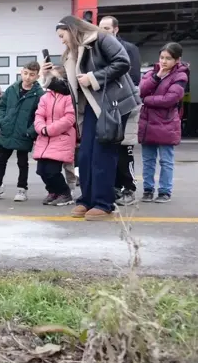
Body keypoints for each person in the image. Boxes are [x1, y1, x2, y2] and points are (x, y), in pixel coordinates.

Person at [52, 15, 140, 221]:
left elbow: (123, 62)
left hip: (114, 105)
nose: (61, 40)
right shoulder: (72, 53)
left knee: (103, 154)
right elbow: (71, 88)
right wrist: (50, 79)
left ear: (72, 30)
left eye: (62, 35)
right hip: (92, 107)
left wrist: (93, 78)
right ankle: (88, 200)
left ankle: (104, 203)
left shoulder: (100, 39)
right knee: (85, 156)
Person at [0, 61, 43, 202]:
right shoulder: (12, 89)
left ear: (37, 76)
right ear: (21, 72)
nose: (28, 77)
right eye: (25, 73)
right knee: (0, 160)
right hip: (8, 130)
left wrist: (31, 131)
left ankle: (22, 190)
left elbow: (40, 114)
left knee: (22, 162)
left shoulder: (39, 93)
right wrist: (2, 121)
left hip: (23, 133)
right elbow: (2, 106)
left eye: (32, 75)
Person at [99, 15, 142, 206]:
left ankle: (129, 188)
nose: (103, 32)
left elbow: (133, 79)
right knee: (111, 149)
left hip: (126, 105)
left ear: (116, 29)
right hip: (107, 107)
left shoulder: (129, 49)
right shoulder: (99, 50)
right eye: (101, 28)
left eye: (107, 28)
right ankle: (114, 187)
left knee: (126, 151)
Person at [138, 42, 188, 204]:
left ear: (177, 60)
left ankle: (165, 191)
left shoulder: (180, 76)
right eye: (162, 57)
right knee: (148, 160)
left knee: (166, 160)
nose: (164, 61)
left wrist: (146, 100)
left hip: (166, 123)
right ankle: (147, 190)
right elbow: (140, 90)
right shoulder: (152, 72)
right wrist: (156, 77)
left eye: (168, 58)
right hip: (147, 123)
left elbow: (169, 100)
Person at [33, 67, 76, 206]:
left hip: (61, 137)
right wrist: (41, 128)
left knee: (52, 171)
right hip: (45, 138)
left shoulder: (69, 97)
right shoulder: (46, 97)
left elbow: (69, 118)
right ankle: (53, 191)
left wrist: (49, 129)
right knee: (41, 170)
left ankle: (65, 193)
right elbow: (39, 114)